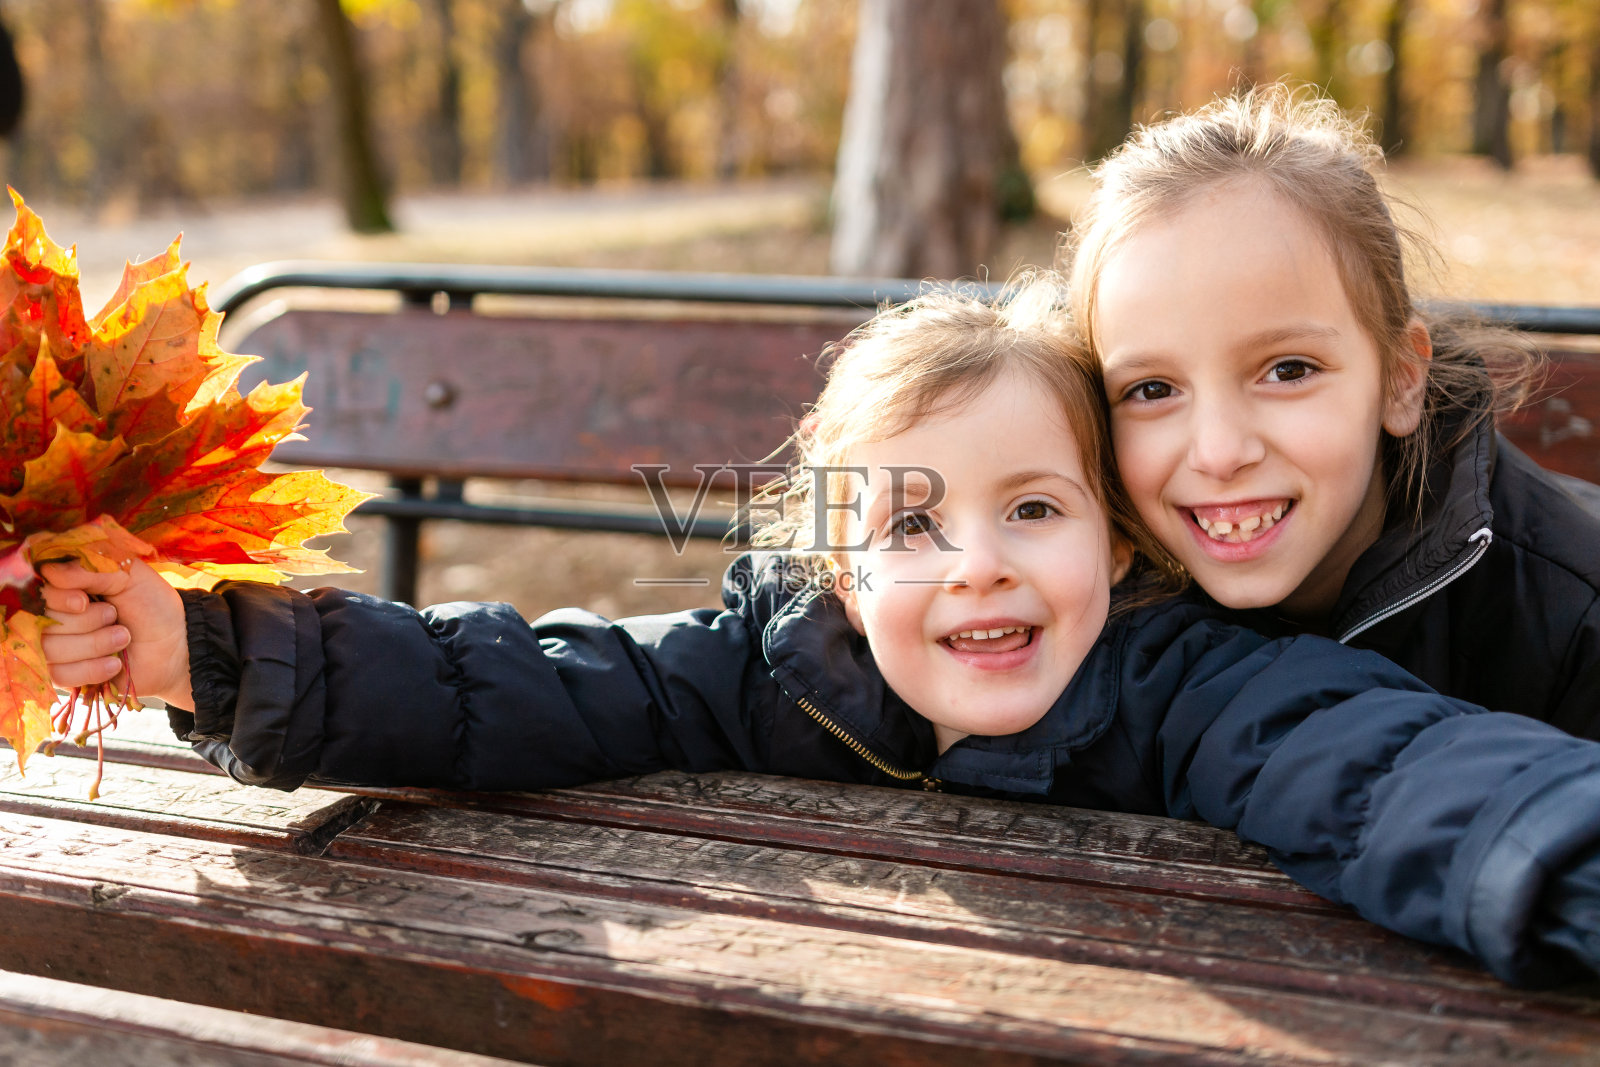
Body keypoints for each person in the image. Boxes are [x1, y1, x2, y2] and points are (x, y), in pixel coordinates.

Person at [33, 279, 1600, 988]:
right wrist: (211, 656)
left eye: (1034, 511)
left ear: (1116, 543)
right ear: (838, 565)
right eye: (913, 523)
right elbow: (502, 679)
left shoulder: (1181, 679)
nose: (978, 568)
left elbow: (1373, 757)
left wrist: (1556, 856)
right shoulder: (767, 669)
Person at [1064, 84, 1600, 737]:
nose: (1219, 452)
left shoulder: (1572, 618)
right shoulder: (1071, 576)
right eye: (1152, 389)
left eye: (1289, 371)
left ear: (1401, 380)